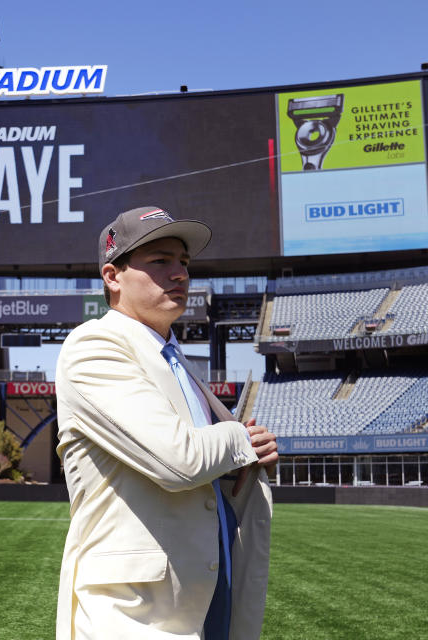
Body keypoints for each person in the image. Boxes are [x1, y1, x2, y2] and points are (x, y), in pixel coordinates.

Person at [55, 206, 277, 640]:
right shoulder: (93, 346)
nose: (179, 274)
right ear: (113, 276)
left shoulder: (178, 362)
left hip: (207, 592)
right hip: (134, 611)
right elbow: (179, 461)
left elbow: (210, 471)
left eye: (184, 263)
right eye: (159, 261)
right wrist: (240, 438)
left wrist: (254, 452)